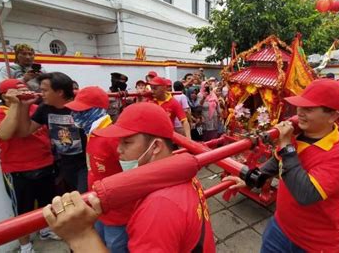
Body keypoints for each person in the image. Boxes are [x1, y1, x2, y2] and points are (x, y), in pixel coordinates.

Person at [43, 103, 216, 252]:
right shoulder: (178, 172)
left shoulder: (158, 207)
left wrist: (81, 236)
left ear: (155, 146)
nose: (118, 150)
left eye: (127, 142)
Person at [224, 79, 339, 252]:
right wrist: (250, 180)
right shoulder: (298, 135)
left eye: (309, 109)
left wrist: (287, 146)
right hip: (279, 227)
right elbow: (274, 163)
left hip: (314, 243)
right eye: (299, 106)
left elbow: (305, 194)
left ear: (333, 116)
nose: (300, 113)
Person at [0, 79, 58, 253]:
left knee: (47, 204)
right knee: (21, 212)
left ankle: (46, 230)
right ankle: (25, 246)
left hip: (45, 163)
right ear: (5, 96)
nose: (25, 93)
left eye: (25, 90)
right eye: (19, 91)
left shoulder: (36, 109)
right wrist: (16, 105)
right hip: (17, 171)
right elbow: (4, 134)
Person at [65, 86, 131, 253]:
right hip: (99, 206)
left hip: (118, 213)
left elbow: (132, 175)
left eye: (80, 111)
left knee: (115, 247)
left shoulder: (111, 137)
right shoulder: (92, 133)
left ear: (96, 111)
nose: (74, 116)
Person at [16, 72, 88, 193]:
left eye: (45, 90)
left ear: (59, 92)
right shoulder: (44, 108)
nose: (41, 94)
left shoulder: (81, 107)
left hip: (85, 164)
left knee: (83, 197)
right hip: (65, 164)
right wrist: (25, 106)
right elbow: (25, 131)